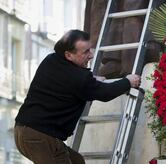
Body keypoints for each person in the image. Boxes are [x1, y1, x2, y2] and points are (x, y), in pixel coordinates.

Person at [14, 30, 141, 164]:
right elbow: (104, 93)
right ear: (68, 55)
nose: (91, 55)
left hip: (24, 131)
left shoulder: (51, 60)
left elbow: (66, 80)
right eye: (86, 52)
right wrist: (128, 81)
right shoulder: (79, 78)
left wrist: (92, 80)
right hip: (40, 136)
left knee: (77, 161)